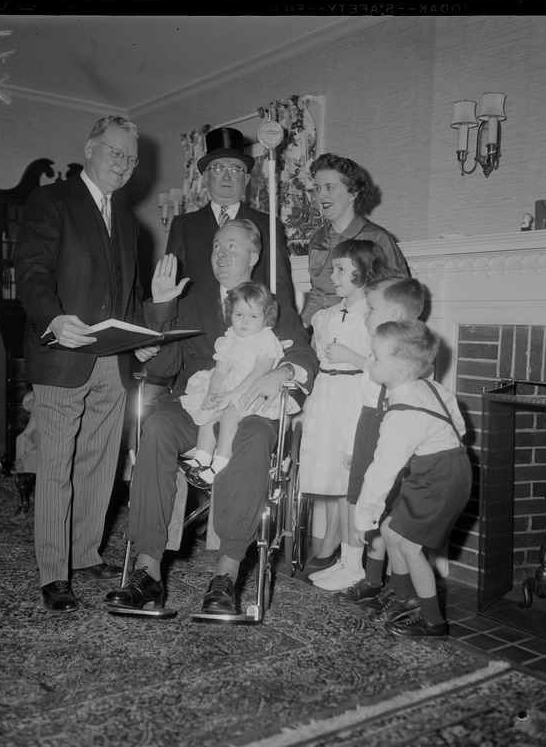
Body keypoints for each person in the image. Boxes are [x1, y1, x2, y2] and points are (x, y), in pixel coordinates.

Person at [105, 219, 317, 616]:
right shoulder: (190, 299)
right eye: (217, 245)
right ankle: (147, 571)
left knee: (254, 437)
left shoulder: (273, 305)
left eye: (232, 247)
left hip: (249, 407)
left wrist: (280, 373)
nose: (220, 253)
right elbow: (163, 369)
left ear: (254, 257)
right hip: (197, 405)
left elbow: (304, 356)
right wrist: (164, 306)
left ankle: (225, 574)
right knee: (157, 427)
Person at [14, 115, 160, 614]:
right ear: (90, 149)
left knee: (99, 461)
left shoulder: (129, 221)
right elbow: (31, 271)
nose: (123, 164)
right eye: (115, 152)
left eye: (131, 157)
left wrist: (141, 337)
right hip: (62, 354)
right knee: (56, 463)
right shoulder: (51, 201)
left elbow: (131, 293)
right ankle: (55, 574)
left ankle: (84, 550)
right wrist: (54, 318)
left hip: (112, 362)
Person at [354, 320, 472, 639]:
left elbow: (382, 470)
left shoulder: (402, 417)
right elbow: (455, 418)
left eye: (376, 357)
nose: (368, 361)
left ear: (402, 372)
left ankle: (434, 621)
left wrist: (364, 515)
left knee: (409, 546)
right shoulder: (425, 385)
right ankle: (405, 598)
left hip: (441, 477)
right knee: (391, 531)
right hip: (447, 466)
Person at [331, 276, 428, 608]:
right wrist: (352, 447)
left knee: (387, 507)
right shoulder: (378, 349)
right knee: (363, 501)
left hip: (391, 429)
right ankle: (371, 579)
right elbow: (366, 396)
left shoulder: (414, 355)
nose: (364, 314)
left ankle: (395, 585)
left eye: (371, 308)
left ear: (396, 315)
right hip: (368, 424)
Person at [298, 239, 384, 591]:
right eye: (332, 268)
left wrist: (351, 356)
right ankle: (346, 561)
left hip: (354, 402)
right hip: (328, 400)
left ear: (363, 274)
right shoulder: (326, 317)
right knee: (334, 481)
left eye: (340, 270)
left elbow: (381, 370)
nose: (331, 276)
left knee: (353, 488)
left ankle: (354, 564)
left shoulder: (374, 316)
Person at [165, 126, 297, 312]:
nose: (226, 176)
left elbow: (280, 287)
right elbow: (169, 286)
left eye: (236, 170)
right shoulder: (183, 225)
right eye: (218, 168)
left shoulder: (267, 224)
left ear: (247, 178)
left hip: (251, 328)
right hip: (198, 332)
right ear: (205, 176)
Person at [179, 281, 294, 488]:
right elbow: (220, 370)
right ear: (229, 313)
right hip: (230, 386)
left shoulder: (266, 340)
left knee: (230, 415)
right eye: (238, 315)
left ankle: (221, 463)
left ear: (266, 317)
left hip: (253, 389)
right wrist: (212, 394)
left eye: (253, 316)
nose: (244, 322)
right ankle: (202, 457)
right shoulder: (229, 339)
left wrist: (234, 394)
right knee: (209, 411)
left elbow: (260, 371)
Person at [300, 152, 410, 328]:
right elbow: (317, 295)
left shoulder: (377, 238)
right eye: (318, 188)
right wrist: (299, 328)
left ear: (352, 194)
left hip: (365, 333)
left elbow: (400, 296)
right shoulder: (316, 240)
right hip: (325, 331)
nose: (321, 196)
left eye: (330, 187)